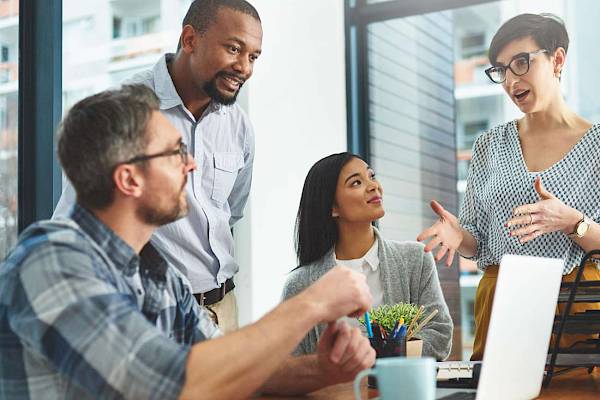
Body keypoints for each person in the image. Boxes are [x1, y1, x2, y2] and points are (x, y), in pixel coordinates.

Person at [0, 85, 376, 400]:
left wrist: (322, 369)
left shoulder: (158, 272)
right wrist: (312, 303)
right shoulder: (50, 261)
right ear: (129, 179)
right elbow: (171, 384)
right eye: (176, 152)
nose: (191, 165)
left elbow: (225, 366)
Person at [53, 0, 262, 333]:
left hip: (224, 307)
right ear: (190, 40)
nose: (244, 67)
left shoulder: (239, 127)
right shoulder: (128, 110)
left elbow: (230, 211)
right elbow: (77, 218)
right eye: (234, 49)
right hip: (149, 310)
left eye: (253, 57)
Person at [417, 13, 600, 361]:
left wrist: (572, 222)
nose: (511, 80)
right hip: (502, 303)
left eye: (521, 63)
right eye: (502, 70)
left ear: (557, 59)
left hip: (575, 307)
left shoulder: (598, 145)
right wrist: (459, 236)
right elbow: (478, 241)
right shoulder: (489, 145)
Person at [281, 152, 453, 360]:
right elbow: (290, 360)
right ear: (332, 207)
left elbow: (440, 334)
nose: (373, 186)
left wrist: (381, 357)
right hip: (333, 393)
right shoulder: (300, 284)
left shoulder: (415, 259)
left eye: (371, 176)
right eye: (356, 183)